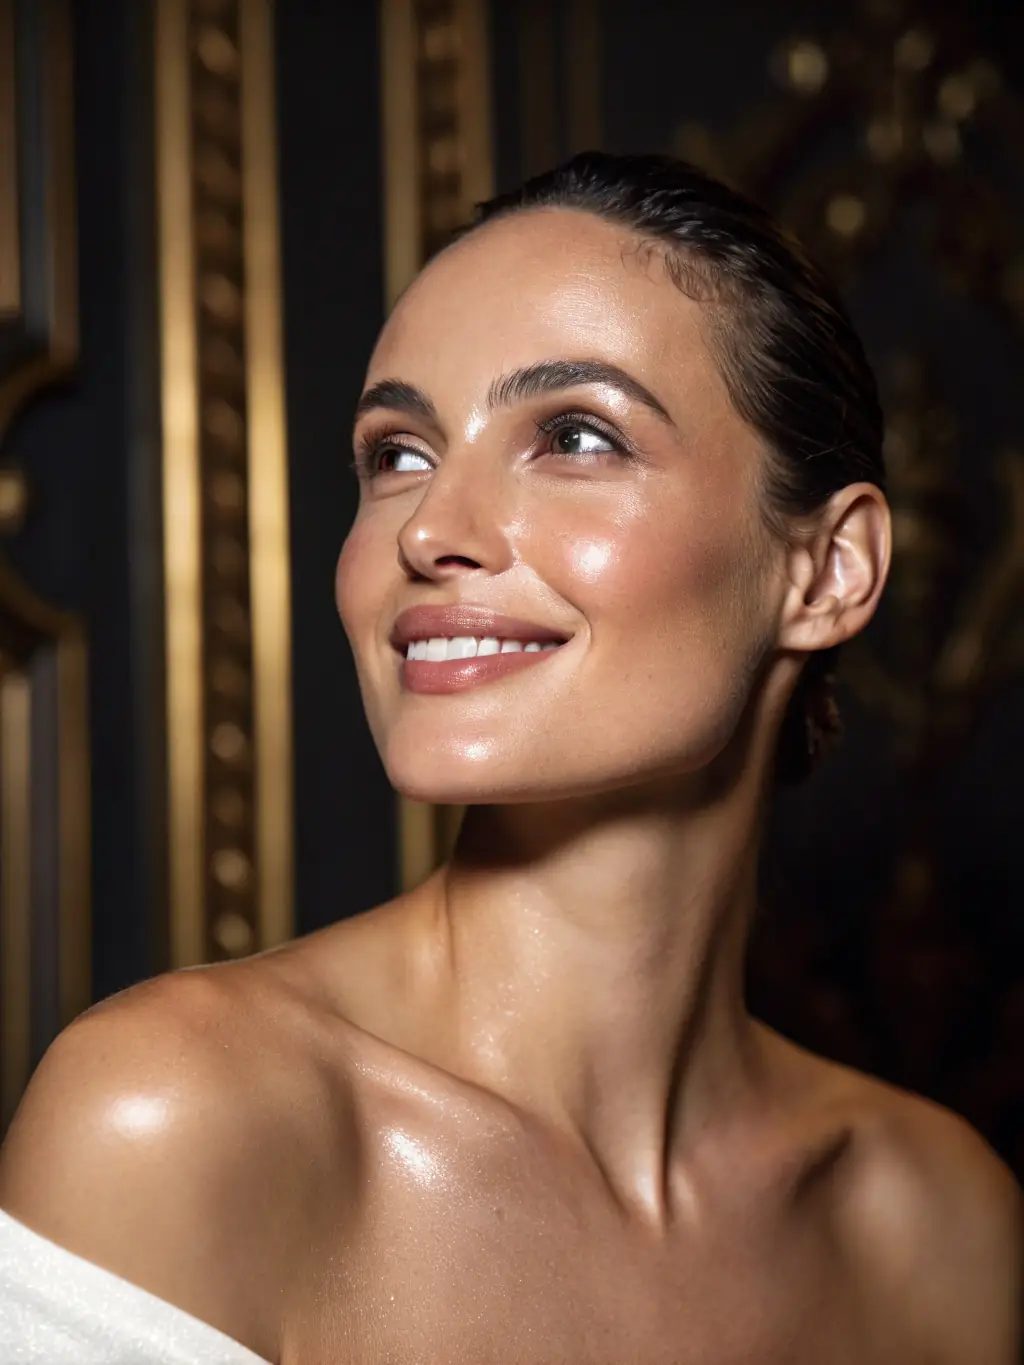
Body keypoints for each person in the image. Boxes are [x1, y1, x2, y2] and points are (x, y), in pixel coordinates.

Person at [0, 152, 1019, 1365]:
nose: (427, 530)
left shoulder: (934, 1219)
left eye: (576, 436)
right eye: (399, 454)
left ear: (826, 568)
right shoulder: (179, 1124)